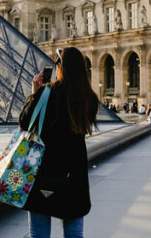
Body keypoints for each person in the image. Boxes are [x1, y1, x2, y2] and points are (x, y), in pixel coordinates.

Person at [18, 47, 99, 238]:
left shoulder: (47, 92)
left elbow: (25, 122)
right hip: (74, 174)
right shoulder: (90, 98)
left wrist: (34, 93)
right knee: (74, 233)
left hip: (43, 170)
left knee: (38, 233)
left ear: (61, 67)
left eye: (57, 63)